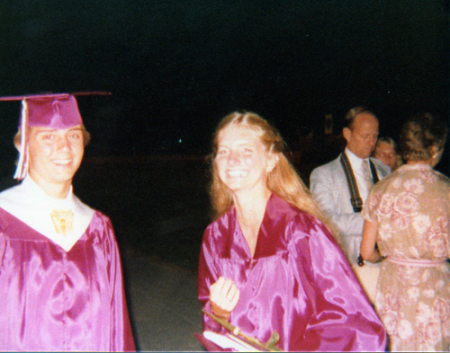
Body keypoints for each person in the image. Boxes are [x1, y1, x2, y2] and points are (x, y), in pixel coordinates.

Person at [197, 111, 386, 351]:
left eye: (246, 150)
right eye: (223, 151)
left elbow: (353, 321)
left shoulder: (302, 232)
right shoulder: (216, 237)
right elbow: (210, 315)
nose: (232, 160)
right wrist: (219, 310)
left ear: (271, 160)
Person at [0, 93, 135, 351]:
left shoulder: (98, 228)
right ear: (23, 145)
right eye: (48, 136)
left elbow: (117, 325)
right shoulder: (4, 220)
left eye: (73, 135)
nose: (64, 148)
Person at [361, 113, 450, 351]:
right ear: (433, 148)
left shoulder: (381, 189)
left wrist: (388, 257)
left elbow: (367, 251)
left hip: (394, 284)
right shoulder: (446, 189)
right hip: (434, 285)